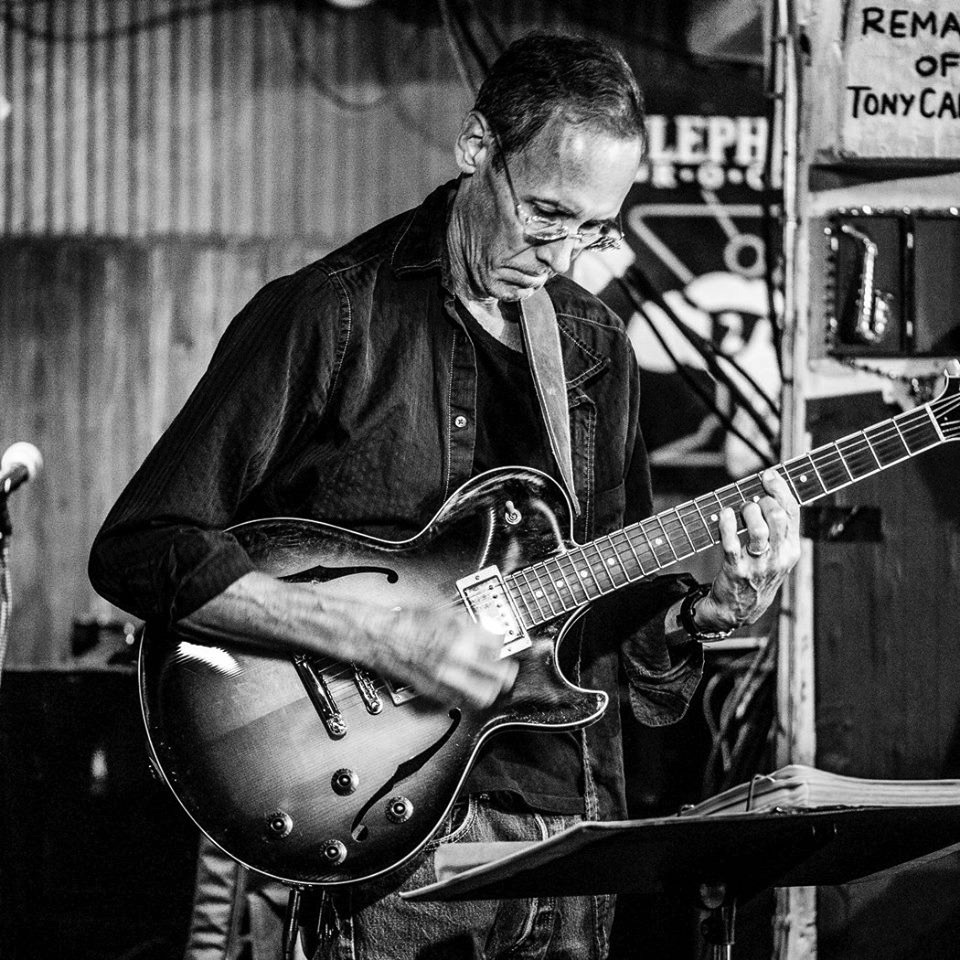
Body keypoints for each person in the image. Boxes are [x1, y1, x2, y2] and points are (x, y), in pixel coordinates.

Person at [89, 31, 800, 960]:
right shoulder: (334, 314)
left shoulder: (594, 348)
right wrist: (375, 633)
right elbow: (143, 548)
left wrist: (710, 611)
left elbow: (612, 632)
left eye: (595, 229)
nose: (561, 254)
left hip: (572, 834)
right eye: (545, 213)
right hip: (396, 846)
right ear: (476, 148)